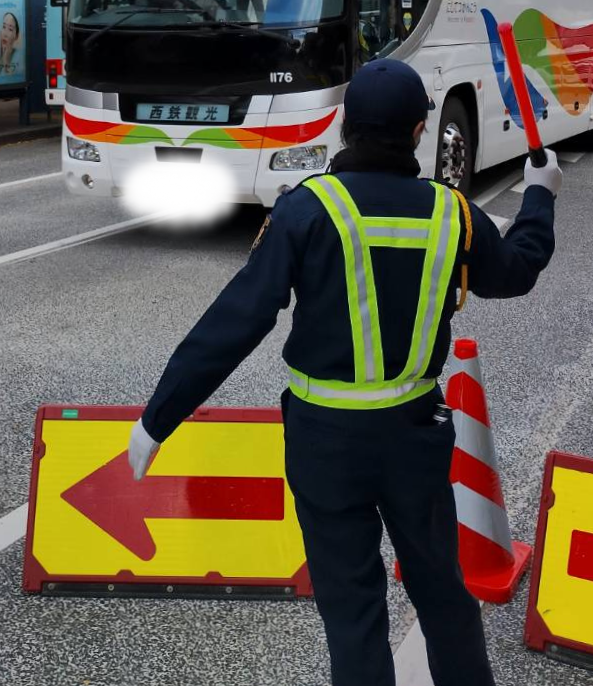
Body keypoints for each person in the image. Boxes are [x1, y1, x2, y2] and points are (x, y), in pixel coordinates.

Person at [128, 58, 559, 686]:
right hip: (414, 433)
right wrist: (539, 195)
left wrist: (157, 418)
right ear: (419, 131)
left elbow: (237, 320)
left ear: (344, 126)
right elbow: (517, 270)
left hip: (324, 440)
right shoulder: (453, 212)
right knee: (442, 591)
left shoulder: (307, 209)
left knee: (353, 610)